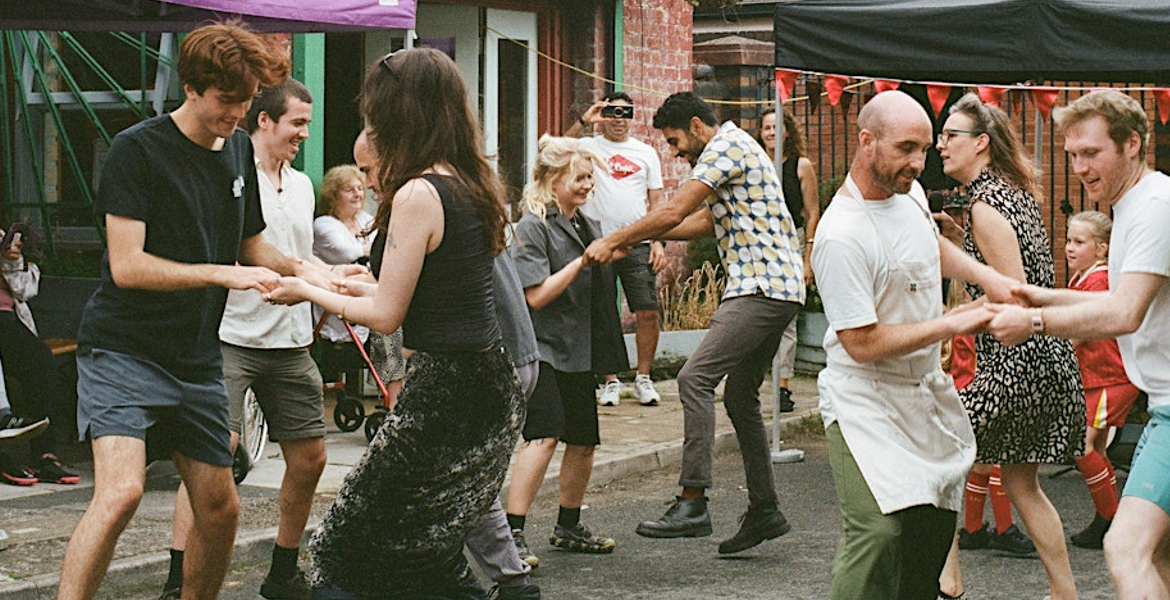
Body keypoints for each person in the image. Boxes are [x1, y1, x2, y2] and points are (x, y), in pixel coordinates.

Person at [55, 21, 309, 600]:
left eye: (246, 102)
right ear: (191, 88)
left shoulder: (239, 148)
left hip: (194, 359)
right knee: (120, 493)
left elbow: (251, 246)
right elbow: (128, 265)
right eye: (227, 100)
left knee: (220, 510)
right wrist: (219, 272)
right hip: (123, 348)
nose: (238, 114)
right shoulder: (136, 150)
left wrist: (312, 272)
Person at [263, 48, 524, 599]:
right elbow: (420, 288)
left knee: (346, 546)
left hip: (449, 393)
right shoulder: (466, 180)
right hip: (482, 385)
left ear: (402, 114)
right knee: (424, 554)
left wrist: (306, 289)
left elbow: (387, 315)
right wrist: (339, 280)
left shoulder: (417, 193)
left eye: (376, 114)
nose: (370, 127)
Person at [158, 78, 358, 600]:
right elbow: (248, 250)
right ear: (264, 121)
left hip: (289, 342)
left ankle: (283, 571)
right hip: (228, 336)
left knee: (311, 456)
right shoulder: (229, 177)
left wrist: (331, 279)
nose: (305, 134)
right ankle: (179, 578)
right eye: (298, 123)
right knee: (211, 453)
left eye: (308, 124)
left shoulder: (302, 184)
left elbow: (294, 254)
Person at [811, 89, 1014, 600]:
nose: (919, 164)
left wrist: (987, 278)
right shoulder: (841, 234)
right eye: (906, 148)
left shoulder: (912, 195)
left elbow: (929, 246)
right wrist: (955, 322)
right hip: (865, 400)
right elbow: (861, 343)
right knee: (877, 532)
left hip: (923, 393)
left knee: (930, 532)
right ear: (867, 142)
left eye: (925, 149)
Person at [583, 91, 803, 554]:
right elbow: (704, 222)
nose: (676, 151)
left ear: (698, 127)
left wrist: (616, 239)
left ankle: (693, 500)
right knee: (740, 395)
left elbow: (675, 209)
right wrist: (641, 239)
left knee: (693, 379)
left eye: (676, 140)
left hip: (759, 288)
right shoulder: (738, 149)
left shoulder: (724, 146)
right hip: (780, 290)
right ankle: (765, 509)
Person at [986, 89, 1170, 599]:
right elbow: (1115, 297)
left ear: (1133, 143)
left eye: (1092, 153)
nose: (1080, 166)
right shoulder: (1135, 206)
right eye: (1072, 155)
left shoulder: (1154, 206)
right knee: (1156, 555)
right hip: (1163, 407)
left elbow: (1124, 313)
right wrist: (1038, 295)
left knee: (1125, 548)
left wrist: (1035, 321)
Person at [351, 129, 540, 600]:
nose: (367, 182)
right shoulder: (463, 189)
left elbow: (397, 309)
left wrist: (394, 377)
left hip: (484, 363)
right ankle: (512, 582)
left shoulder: (423, 199)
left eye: (369, 170)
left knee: (433, 492)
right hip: (505, 358)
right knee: (462, 479)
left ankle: (491, 582)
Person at [938, 92, 1084, 600]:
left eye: (949, 136)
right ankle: (1065, 594)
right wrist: (961, 243)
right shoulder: (1011, 193)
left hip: (1015, 365)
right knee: (1023, 485)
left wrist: (947, 320)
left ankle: (948, 585)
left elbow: (1011, 294)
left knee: (936, 462)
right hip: (1048, 361)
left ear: (980, 143)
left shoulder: (986, 204)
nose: (940, 146)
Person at [506, 135, 625, 567]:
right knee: (543, 435)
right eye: (578, 177)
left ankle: (569, 525)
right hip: (541, 350)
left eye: (590, 177)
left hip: (578, 350)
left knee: (584, 441)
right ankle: (512, 534)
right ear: (552, 180)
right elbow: (535, 295)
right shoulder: (532, 225)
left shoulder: (585, 225)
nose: (587, 185)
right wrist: (582, 262)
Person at [568, 92, 666, 407]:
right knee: (603, 313)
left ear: (632, 116)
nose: (618, 119)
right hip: (598, 242)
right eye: (612, 112)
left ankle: (644, 378)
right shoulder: (588, 147)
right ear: (604, 115)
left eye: (625, 113)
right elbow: (553, 150)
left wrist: (659, 241)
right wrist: (585, 120)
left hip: (636, 241)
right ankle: (609, 380)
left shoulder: (646, 153)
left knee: (647, 310)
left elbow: (656, 202)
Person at [1063, 210, 1140, 550]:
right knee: (1092, 447)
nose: (1069, 247)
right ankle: (1109, 516)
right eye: (1068, 240)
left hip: (1110, 376)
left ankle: (1111, 520)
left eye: (1079, 242)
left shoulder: (1098, 280)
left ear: (1102, 249)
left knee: (1083, 445)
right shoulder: (1083, 277)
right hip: (1097, 377)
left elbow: (1080, 330)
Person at [311, 164, 405, 406]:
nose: (358, 194)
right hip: (338, 310)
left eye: (360, 189)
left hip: (369, 302)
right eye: (348, 190)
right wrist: (371, 251)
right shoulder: (324, 224)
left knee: (393, 331)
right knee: (387, 331)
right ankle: (394, 401)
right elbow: (349, 251)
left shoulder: (365, 219)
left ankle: (395, 396)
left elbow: (386, 250)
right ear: (333, 195)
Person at [0, 224, 78, 485]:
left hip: (8, 324)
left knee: (41, 360)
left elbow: (26, 291)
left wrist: (13, 261)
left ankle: (45, 454)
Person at [760, 108, 820, 413]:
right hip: (760, 244)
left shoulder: (800, 166)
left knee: (786, 318)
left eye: (777, 127)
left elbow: (812, 213)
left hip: (791, 241)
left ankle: (782, 386)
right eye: (767, 127)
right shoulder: (756, 166)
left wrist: (807, 257)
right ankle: (756, 382)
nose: (771, 132)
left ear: (787, 132)